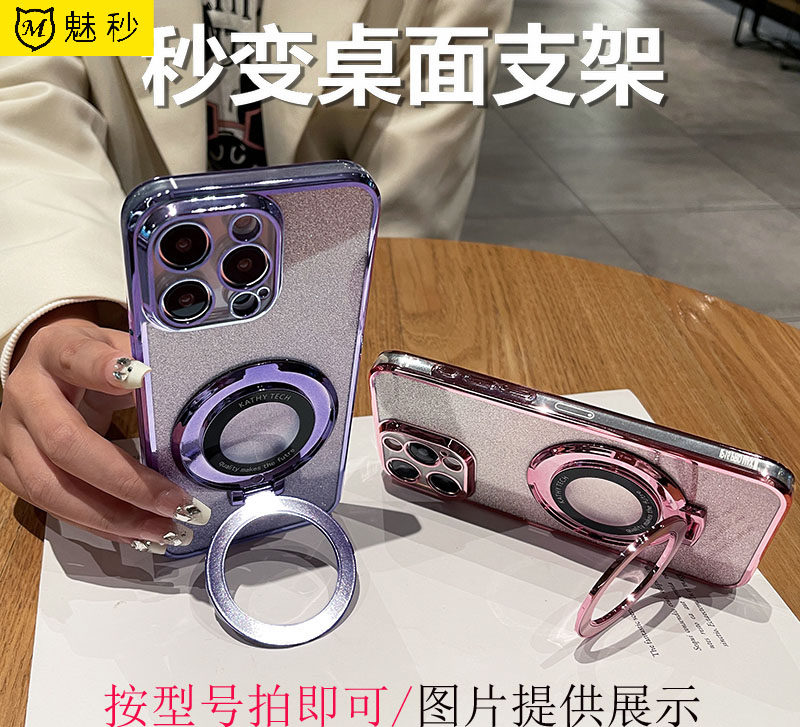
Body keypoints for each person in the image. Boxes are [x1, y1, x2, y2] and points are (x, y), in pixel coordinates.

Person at [0, 1, 512, 550]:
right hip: (124, 284)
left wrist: (345, 311)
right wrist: (59, 302)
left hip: (337, 312)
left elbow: (412, 193)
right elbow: (27, 98)